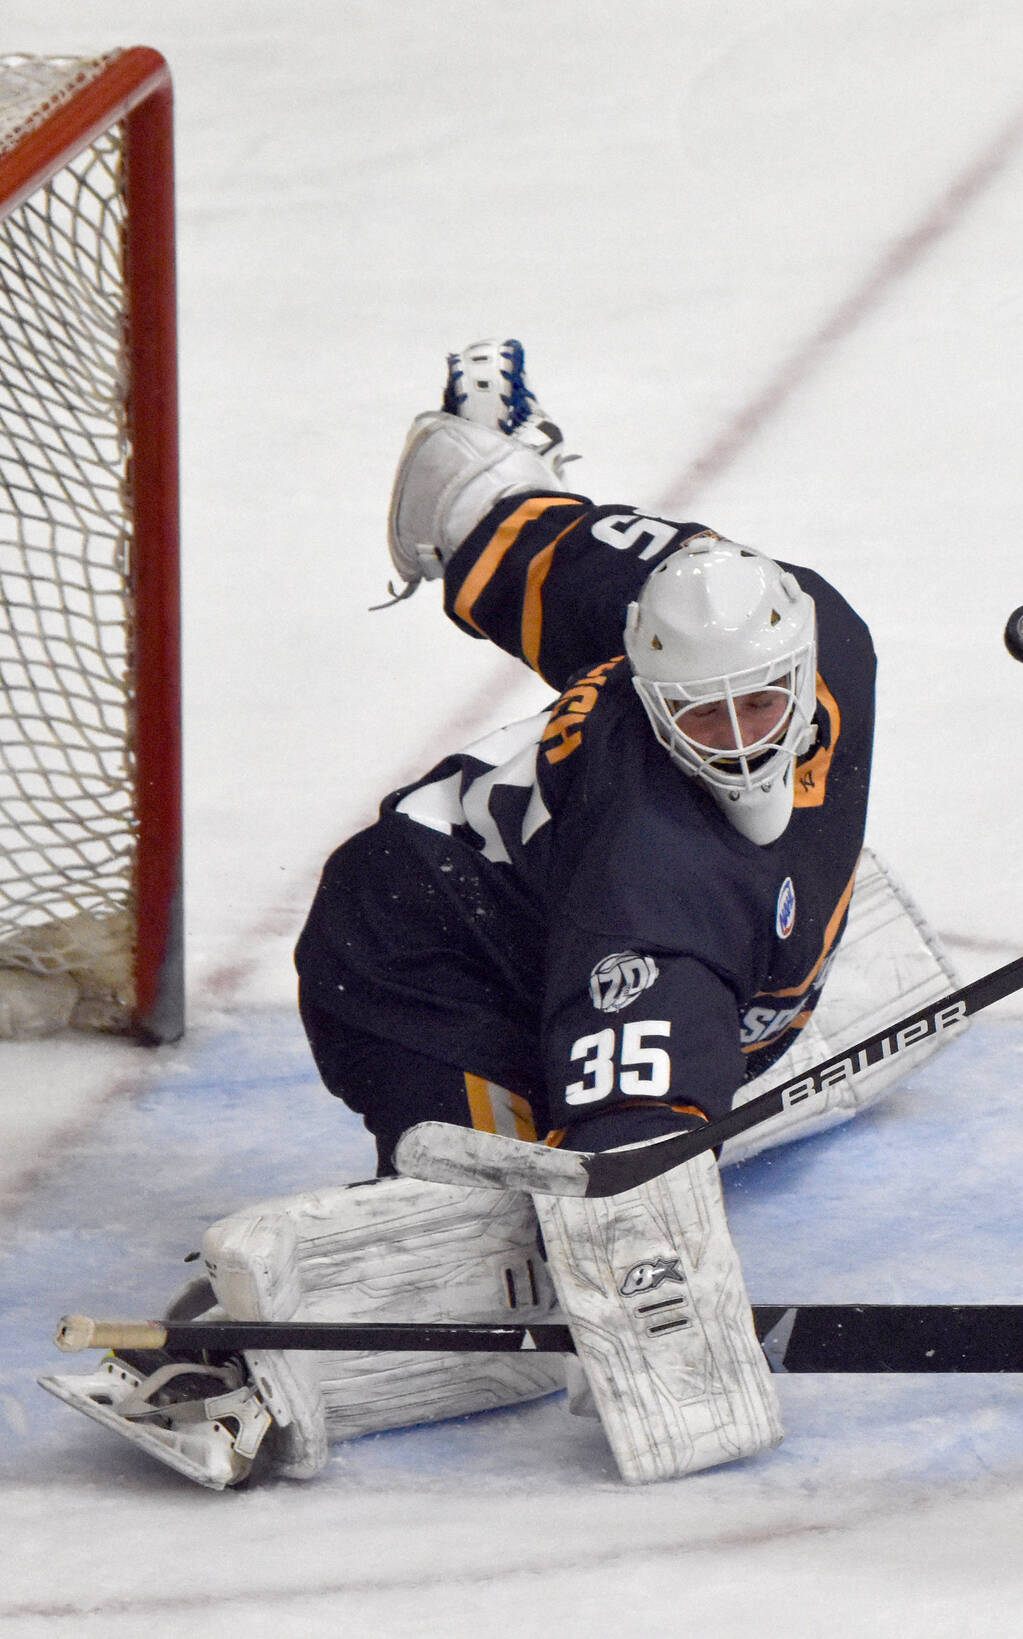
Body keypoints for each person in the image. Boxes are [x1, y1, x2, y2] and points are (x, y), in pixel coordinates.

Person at [41, 341, 957, 1488]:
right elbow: (625, 1176)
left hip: (537, 894)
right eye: (702, 720)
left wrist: (480, 497)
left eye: (761, 704)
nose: (741, 741)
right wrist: (643, 1306)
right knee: (497, 1210)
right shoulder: (653, 893)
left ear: (801, 657)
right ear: (650, 691)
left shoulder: (793, 621)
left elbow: (564, 557)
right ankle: (223, 1355)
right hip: (414, 960)